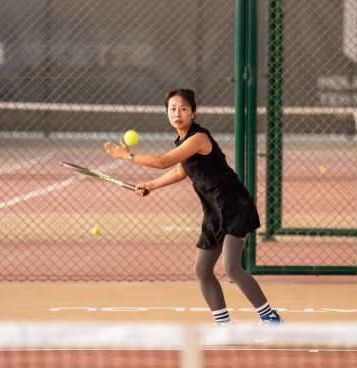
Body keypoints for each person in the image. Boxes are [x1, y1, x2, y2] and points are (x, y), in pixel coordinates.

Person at [104, 88, 283, 326]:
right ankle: (225, 325)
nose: (177, 113)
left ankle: (270, 317)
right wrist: (151, 185)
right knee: (202, 269)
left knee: (230, 266)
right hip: (214, 210)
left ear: (193, 113)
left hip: (234, 206)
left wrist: (128, 156)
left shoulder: (199, 138)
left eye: (183, 109)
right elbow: (180, 170)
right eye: (172, 109)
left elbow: (164, 162)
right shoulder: (183, 141)